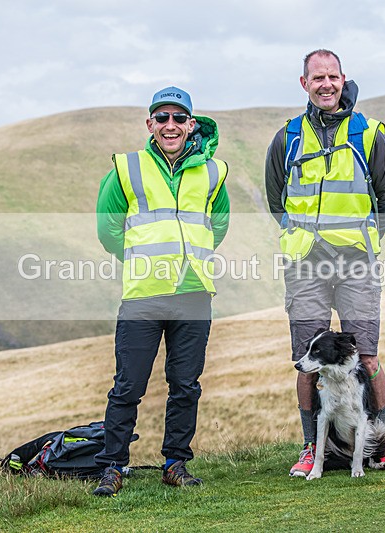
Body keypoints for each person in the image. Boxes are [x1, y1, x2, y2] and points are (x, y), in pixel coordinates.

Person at [264, 49, 385, 477]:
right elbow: (276, 201)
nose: (326, 84)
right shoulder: (287, 138)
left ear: (343, 80)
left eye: (332, 77)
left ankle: (382, 443)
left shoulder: (368, 133)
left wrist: (364, 239)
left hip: (356, 262)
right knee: (306, 360)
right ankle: (312, 448)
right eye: (317, 78)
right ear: (304, 83)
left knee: (367, 356)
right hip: (306, 264)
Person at [92, 86, 230, 496]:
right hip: (143, 295)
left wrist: (192, 258)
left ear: (191, 124)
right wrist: (142, 260)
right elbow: (108, 228)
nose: (171, 125)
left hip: (194, 292)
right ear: (150, 124)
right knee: (128, 386)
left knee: (185, 386)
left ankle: (175, 464)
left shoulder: (213, 172)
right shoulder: (126, 168)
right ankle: (113, 466)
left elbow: (218, 224)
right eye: (163, 117)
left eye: (179, 118)